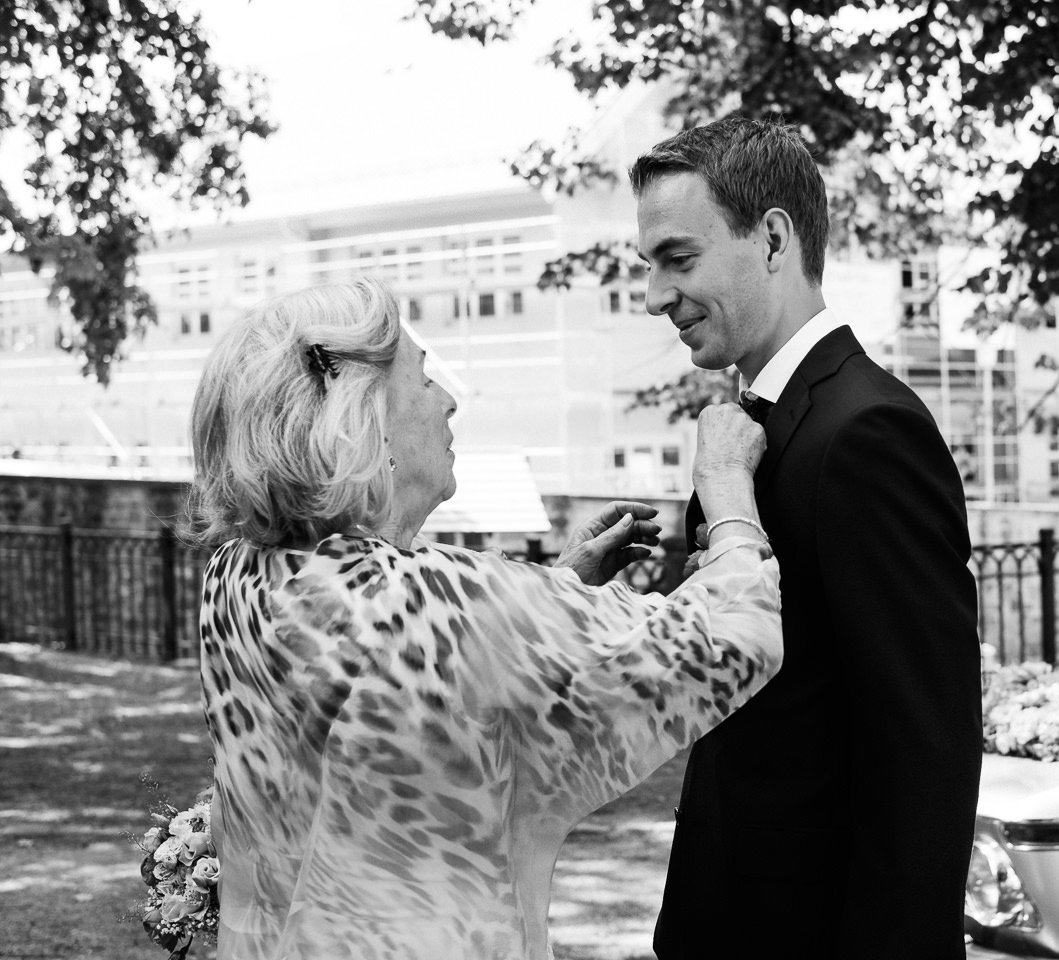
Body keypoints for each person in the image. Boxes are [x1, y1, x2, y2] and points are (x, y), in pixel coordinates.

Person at [186, 277, 782, 960]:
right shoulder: (434, 601)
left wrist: (557, 588)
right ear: (362, 418)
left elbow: (402, 674)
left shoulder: (235, 576)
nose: (449, 400)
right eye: (421, 376)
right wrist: (729, 486)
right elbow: (731, 637)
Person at [634, 118, 982, 958]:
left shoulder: (869, 431)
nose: (654, 295)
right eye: (650, 266)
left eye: (678, 260)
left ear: (775, 239)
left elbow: (924, 751)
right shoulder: (751, 427)